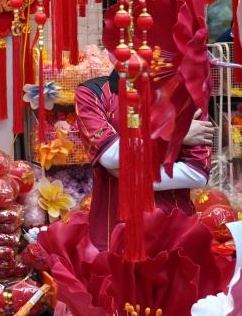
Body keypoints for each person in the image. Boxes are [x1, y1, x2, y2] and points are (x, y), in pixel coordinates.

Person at [75, 67, 213, 251]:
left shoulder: (188, 95)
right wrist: (175, 135)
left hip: (174, 230)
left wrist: (132, 177)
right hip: (113, 228)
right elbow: (111, 155)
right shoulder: (93, 93)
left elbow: (197, 172)